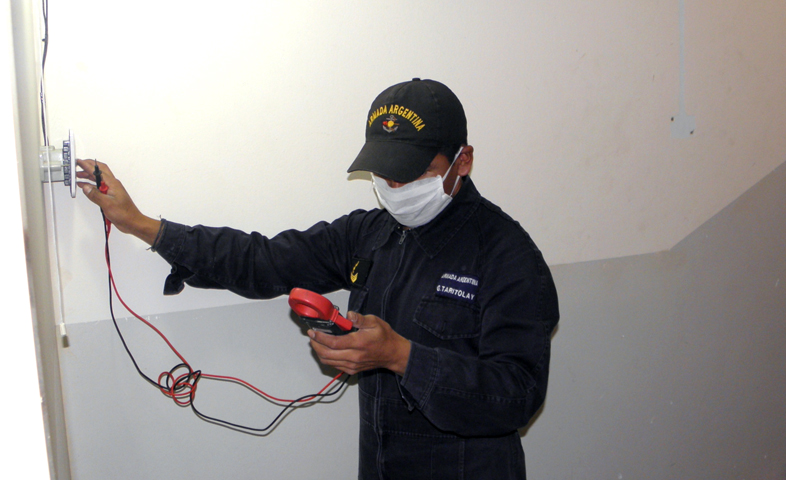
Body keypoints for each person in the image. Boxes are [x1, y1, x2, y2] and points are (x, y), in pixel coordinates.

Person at [78, 78, 559, 480]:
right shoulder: (371, 234)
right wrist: (142, 225)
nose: (395, 188)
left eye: (413, 173)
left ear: (462, 161)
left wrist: (402, 356)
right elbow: (262, 260)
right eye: (386, 173)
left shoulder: (507, 255)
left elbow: (517, 394)